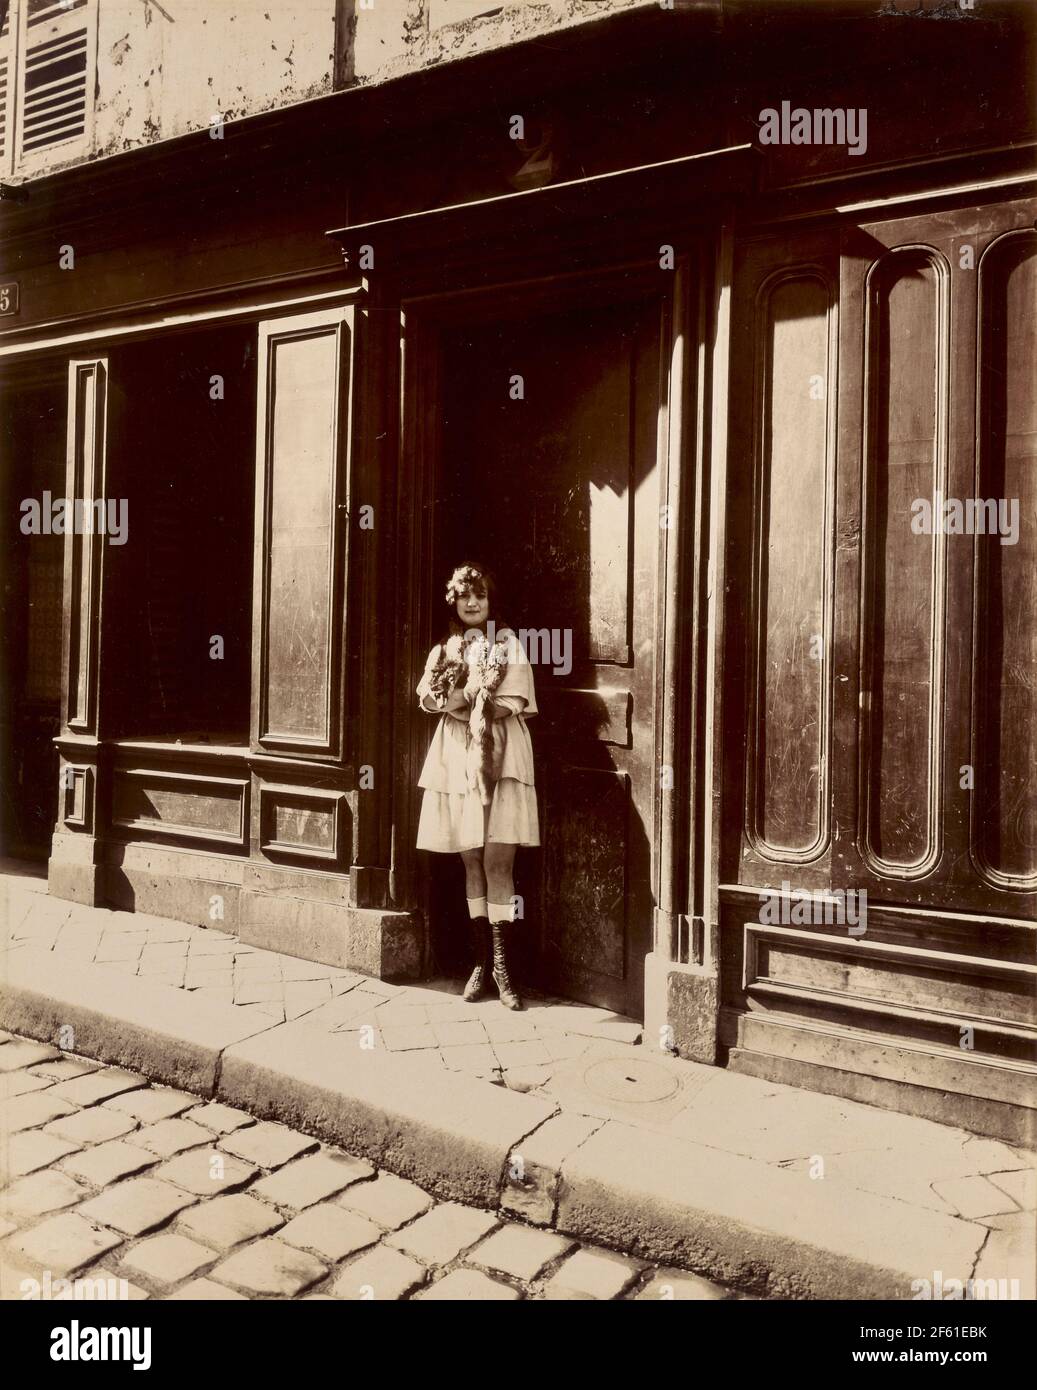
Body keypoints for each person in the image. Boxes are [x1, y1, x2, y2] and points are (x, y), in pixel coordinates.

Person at [415, 562, 539, 1010]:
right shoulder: (444, 650)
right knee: (471, 858)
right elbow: (430, 698)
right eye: (465, 595)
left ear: (490, 601)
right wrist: (462, 696)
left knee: (498, 859)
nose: (472, 602)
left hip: (500, 753)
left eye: (480, 595)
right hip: (456, 756)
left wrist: (466, 701)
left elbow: (510, 702)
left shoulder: (509, 647)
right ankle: (480, 963)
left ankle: (504, 967)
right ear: (454, 601)